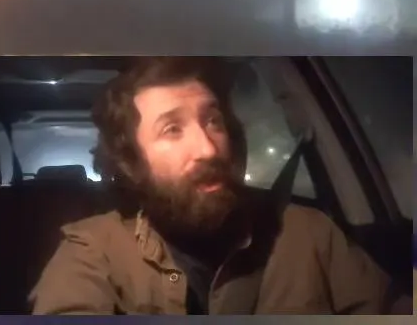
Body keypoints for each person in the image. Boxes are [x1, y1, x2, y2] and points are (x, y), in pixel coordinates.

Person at [29, 56, 397, 315]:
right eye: (172, 129)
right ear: (133, 162)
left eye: (213, 121)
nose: (207, 148)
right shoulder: (94, 251)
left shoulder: (311, 234)